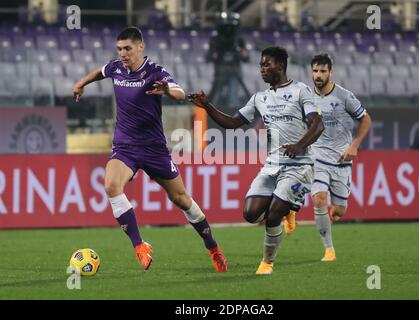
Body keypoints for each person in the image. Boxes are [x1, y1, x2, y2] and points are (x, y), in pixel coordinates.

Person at [72, 26, 227, 272]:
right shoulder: (116, 68)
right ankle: (139, 245)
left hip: (154, 149)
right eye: (120, 49)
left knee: (181, 199)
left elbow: (179, 92)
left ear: (140, 47)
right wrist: (81, 83)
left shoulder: (155, 71)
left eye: (128, 49)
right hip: (125, 147)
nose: (123, 53)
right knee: (111, 185)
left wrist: (166, 90)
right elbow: (100, 72)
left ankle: (213, 248)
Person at [190, 46, 324, 275]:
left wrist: (299, 146)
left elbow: (317, 124)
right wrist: (207, 105)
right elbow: (232, 123)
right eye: (261, 65)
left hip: (299, 166)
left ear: (280, 66)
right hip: (272, 166)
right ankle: (288, 209)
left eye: (266, 64)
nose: (262, 69)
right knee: (250, 214)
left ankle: (267, 262)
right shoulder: (259, 98)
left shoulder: (301, 91)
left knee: (273, 214)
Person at [285, 53, 372, 262]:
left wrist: (354, 145)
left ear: (330, 72)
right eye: (315, 71)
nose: (318, 75)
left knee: (339, 211)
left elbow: (366, 119)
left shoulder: (344, 96)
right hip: (317, 157)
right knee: (319, 199)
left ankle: (296, 202)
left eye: (323, 71)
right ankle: (329, 249)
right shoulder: (304, 96)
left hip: (342, 160)